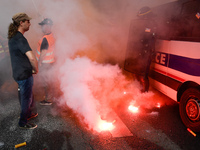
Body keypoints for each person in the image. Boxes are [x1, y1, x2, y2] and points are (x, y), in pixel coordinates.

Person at [8, 13, 38, 129]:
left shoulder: (14, 37)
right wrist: (36, 69)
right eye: (28, 21)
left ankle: (29, 113)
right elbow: (31, 57)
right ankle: (23, 122)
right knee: (26, 98)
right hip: (24, 74)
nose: (29, 24)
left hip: (20, 73)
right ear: (21, 23)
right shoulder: (20, 38)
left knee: (28, 95)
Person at [124, 6, 157, 92]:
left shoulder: (152, 25)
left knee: (143, 75)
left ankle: (144, 94)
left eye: (142, 17)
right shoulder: (140, 26)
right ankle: (137, 90)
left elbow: (152, 40)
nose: (141, 19)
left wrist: (152, 51)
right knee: (135, 72)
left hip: (146, 54)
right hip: (138, 52)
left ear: (147, 16)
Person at [35, 18, 55, 105]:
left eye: (42, 26)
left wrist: (39, 62)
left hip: (45, 64)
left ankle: (48, 99)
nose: (41, 28)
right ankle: (49, 97)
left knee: (46, 82)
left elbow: (43, 52)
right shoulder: (51, 36)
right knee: (48, 81)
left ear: (47, 26)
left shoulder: (45, 39)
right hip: (50, 63)